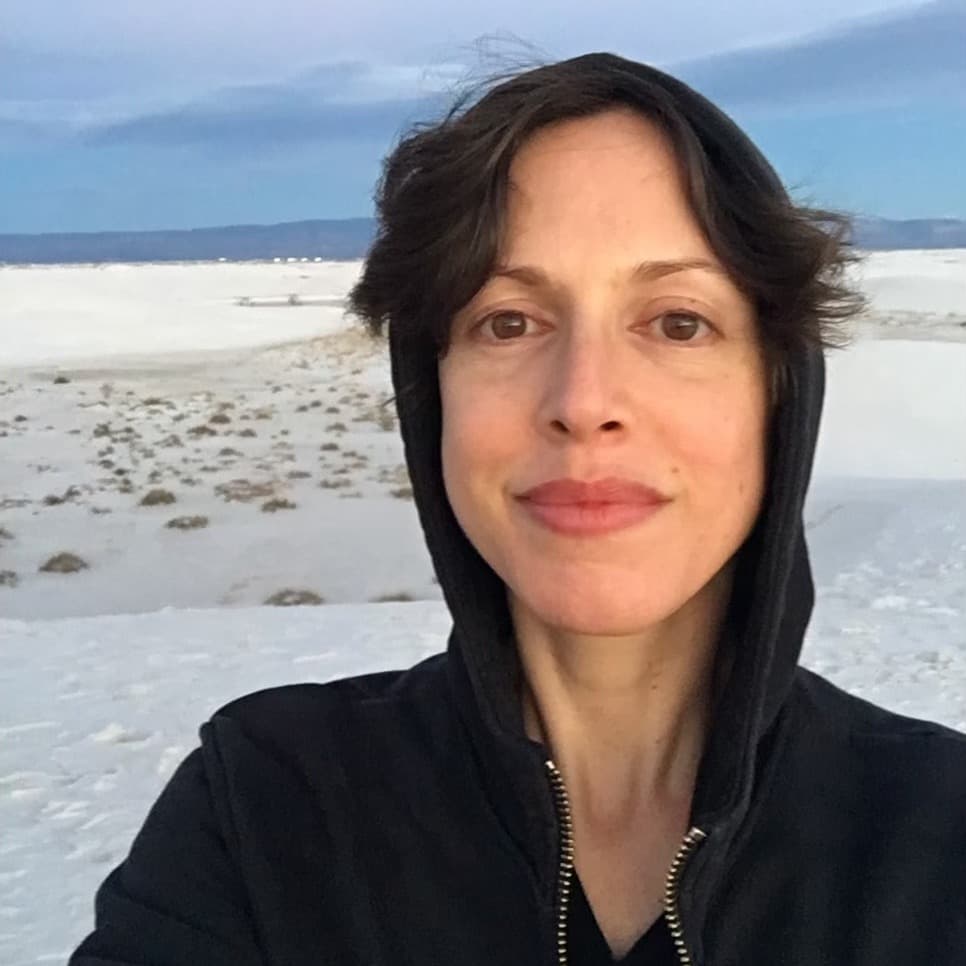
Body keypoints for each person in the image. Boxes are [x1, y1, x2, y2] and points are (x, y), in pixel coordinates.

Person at [69, 53, 966, 966]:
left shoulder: (937, 834)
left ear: (778, 394)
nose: (583, 400)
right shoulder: (267, 809)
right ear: (433, 395)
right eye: (508, 322)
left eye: (678, 322)